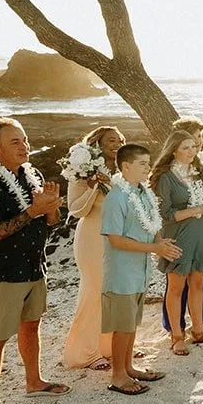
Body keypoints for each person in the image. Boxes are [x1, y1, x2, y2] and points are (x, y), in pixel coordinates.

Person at [0, 117, 68, 404]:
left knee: (31, 326)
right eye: (15, 142)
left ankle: (33, 382)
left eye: (25, 140)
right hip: (3, 273)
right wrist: (31, 211)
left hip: (35, 266)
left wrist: (50, 207)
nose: (25, 146)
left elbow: (52, 222)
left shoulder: (31, 174)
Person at [100, 143, 181, 394]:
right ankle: (117, 376)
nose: (148, 167)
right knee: (122, 325)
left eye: (148, 162)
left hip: (140, 270)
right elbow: (114, 239)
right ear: (126, 167)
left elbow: (152, 223)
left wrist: (159, 242)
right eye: (142, 163)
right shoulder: (116, 197)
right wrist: (155, 250)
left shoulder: (143, 192)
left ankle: (128, 367)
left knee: (132, 323)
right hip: (122, 272)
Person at [152, 127, 203, 355]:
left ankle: (199, 331)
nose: (192, 150)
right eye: (186, 147)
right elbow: (166, 214)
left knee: (199, 283)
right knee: (176, 287)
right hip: (178, 236)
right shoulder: (165, 178)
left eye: (193, 146)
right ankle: (176, 336)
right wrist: (199, 208)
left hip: (201, 234)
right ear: (174, 151)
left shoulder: (199, 172)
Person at [61, 125, 124, 371]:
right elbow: (75, 208)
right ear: (98, 142)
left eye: (119, 138)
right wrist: (95, 187)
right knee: (96, 291)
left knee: (119, 293)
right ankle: (87, 352)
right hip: (93, 236)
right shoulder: (83, 170)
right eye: (111, 139)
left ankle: (112, 347)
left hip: (121, 237)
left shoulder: (123, 167)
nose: (117, 143)